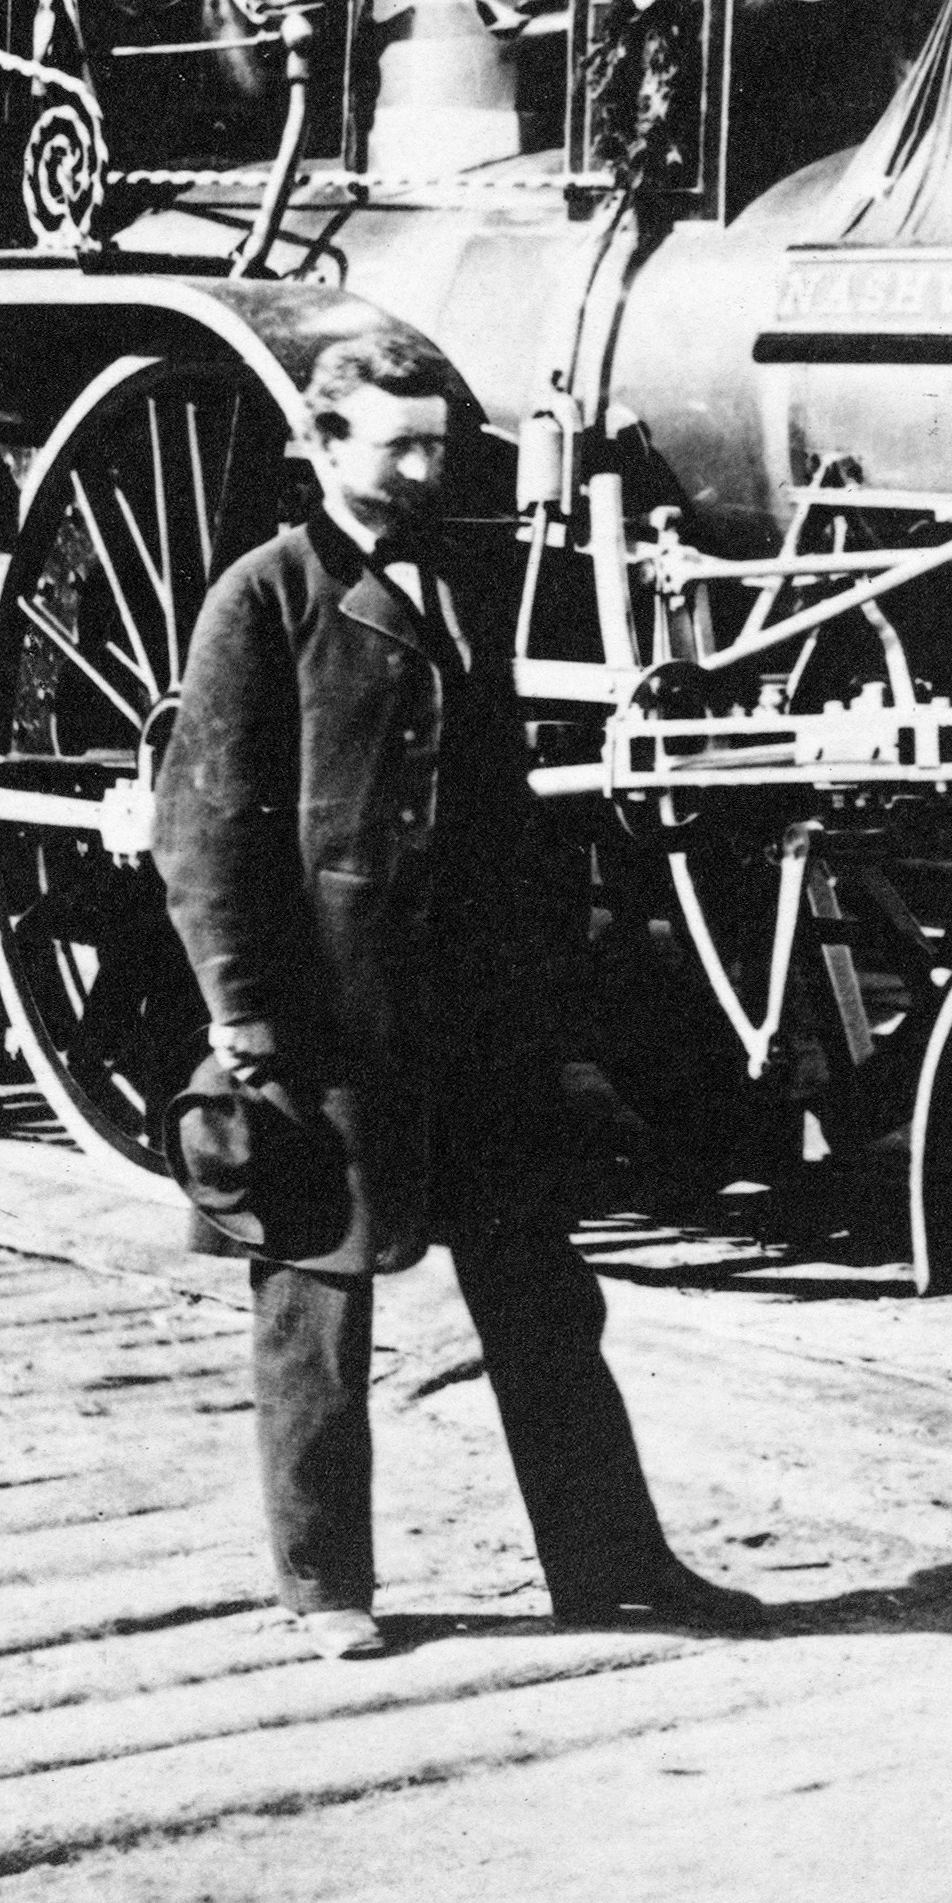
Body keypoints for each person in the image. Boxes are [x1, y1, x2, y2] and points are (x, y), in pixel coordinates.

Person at [147, 318, 757, 1656]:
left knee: (543, 1297)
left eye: (438, 446)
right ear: (322, 445)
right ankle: (327, 1589)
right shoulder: (263, 598)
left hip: (474, 1022)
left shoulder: (453, 582)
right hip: (326, 1023)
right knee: (315, 1310)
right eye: (399, 446)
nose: (427, 471)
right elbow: (206, 830)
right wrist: (243, 1015)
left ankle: (612, 1565)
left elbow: (496, 809)